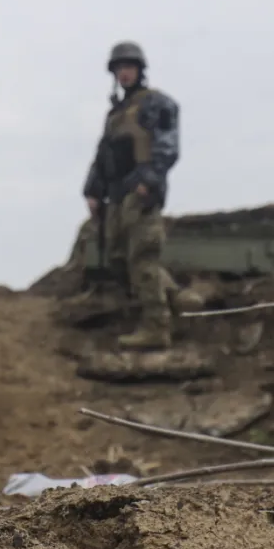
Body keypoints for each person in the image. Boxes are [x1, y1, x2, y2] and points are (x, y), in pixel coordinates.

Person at [81, 41, 180, 350]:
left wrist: (149, 180)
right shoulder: (116, 114)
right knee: (118, 260)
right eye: (119, 68)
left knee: (143, 256)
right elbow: (103, 155)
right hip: (117, 196)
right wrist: (93, 190)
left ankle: (157, 327)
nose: (124, 73)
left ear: (139, 70)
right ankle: (175, 298)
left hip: (140, 194)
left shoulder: (156, 104)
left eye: (129, 67)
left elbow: (167, 145)